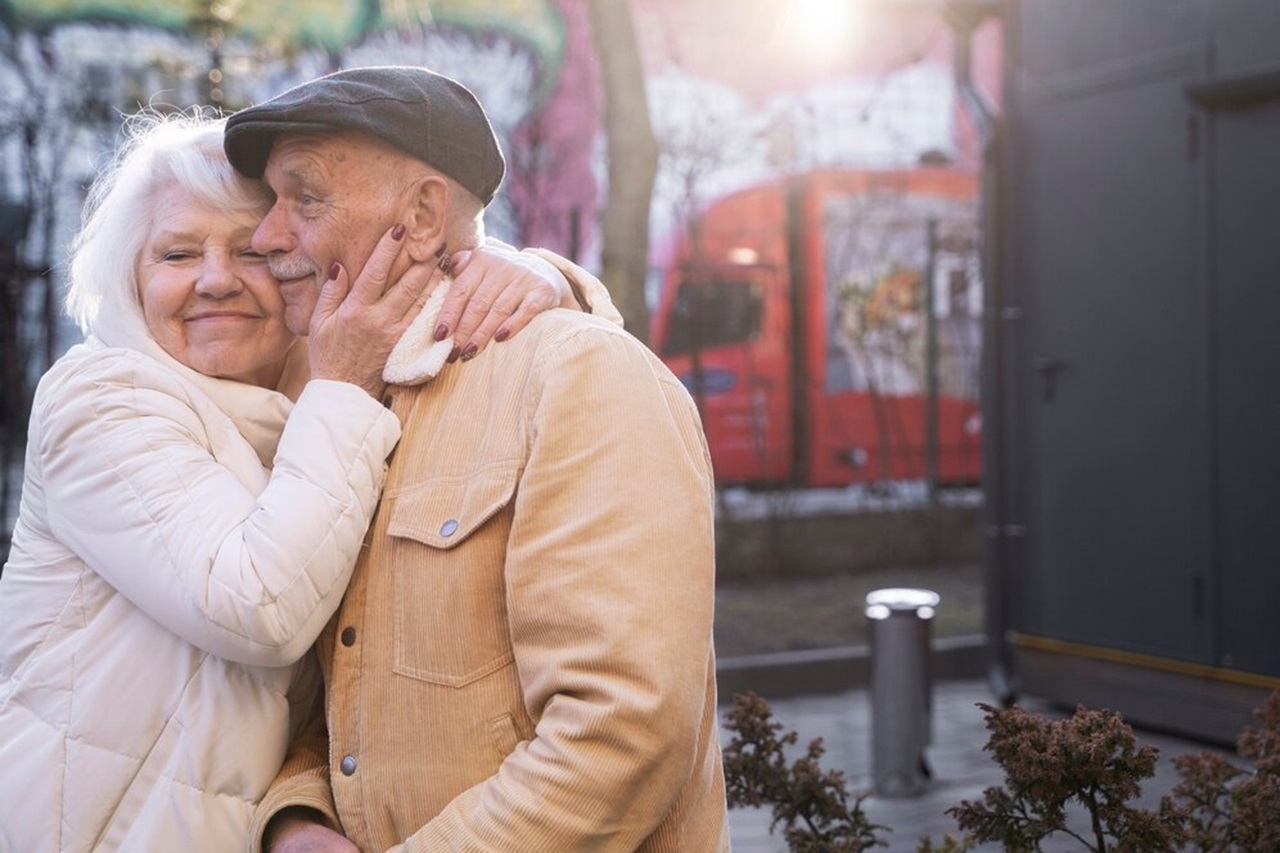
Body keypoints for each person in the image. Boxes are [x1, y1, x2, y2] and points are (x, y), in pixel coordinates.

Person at [0, 110, 599, 852]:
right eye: (178, 253)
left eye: (251, 251)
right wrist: (342, 385)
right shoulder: (101, 399)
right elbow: (259, 606)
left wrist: (542, 277)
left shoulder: (304, 404)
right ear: (130, 277)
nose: (216, 280)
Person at [224, 65, 729, 853]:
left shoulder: (581, 377)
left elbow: (622, 732)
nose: (265, 237)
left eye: (306, 197)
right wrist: (297, 819)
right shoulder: (337, 400)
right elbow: (340, 708)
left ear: (424, 216)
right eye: (270, 202)